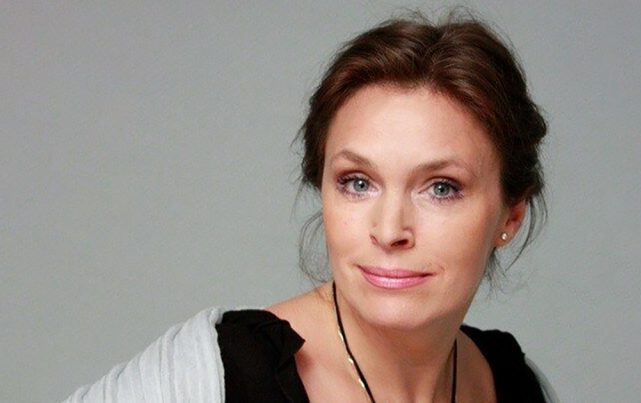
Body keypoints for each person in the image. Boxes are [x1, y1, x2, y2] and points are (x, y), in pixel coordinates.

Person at [64, 12, 554, 403]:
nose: (389, 230)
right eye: (358, 183)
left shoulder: (516, 384)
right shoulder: (220, 377)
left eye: (441, 188)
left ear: (510, 215)